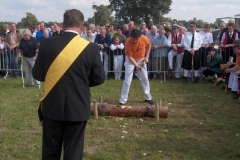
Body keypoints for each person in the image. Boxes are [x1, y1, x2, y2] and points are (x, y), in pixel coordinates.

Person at [32, 9, 105, 159]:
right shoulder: (90, 48)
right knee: (73, 153)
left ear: (63, 24)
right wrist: (81, 82)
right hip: (78, 106)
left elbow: (37, 74)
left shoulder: (46, 44)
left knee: (50, 152)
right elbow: (99, 78)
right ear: (82, 25)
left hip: (52, 105)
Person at [119, 29, 154, 105]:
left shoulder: (144, 38)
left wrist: (147, 57)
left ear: (139, 36)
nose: (135, 41)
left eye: (136, 39)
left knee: (145, 79)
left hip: (141, 59)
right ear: (131, 37)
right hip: (130, 60)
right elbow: (130, 57)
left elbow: (149, 45)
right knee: (127, 81)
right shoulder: (127, 42)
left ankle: (148, 97)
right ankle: (123, 100)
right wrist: (137, 66)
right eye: (133, 39)